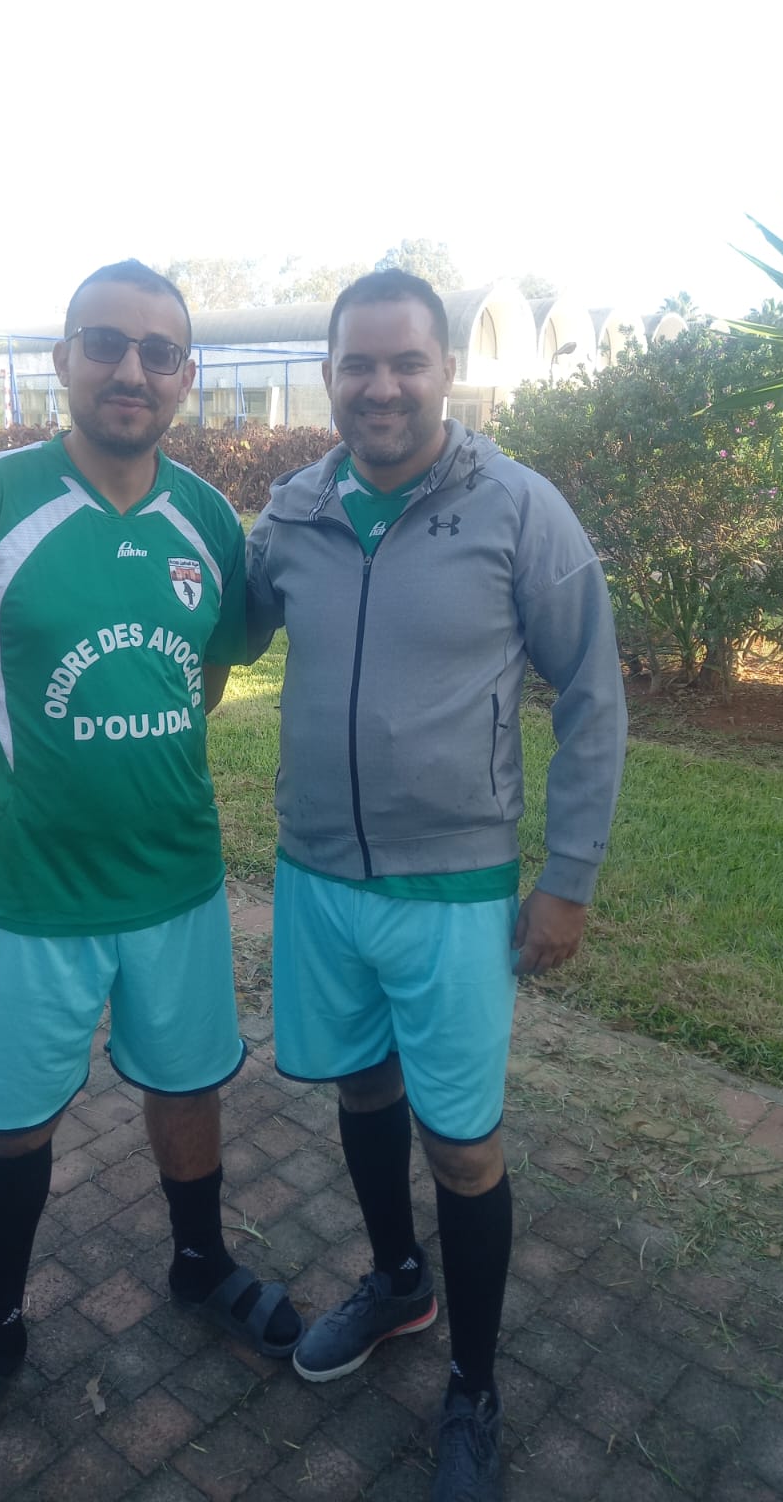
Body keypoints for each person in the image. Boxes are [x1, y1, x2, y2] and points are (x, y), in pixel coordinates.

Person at [0, 259, 302, 1487]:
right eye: (106, 343)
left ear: (186, 375)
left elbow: (203, 678)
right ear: (64, 358)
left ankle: (200, 1264)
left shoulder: (207, 520)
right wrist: (26, 771)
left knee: (190, 1081)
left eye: (158, 351)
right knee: (16, 1122)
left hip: (176, 880)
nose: (132, 369)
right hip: (34, 892)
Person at [245, 270, 627, 1501]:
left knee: (463, 1144)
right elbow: (221, 627)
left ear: (446, 369)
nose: (382, 386)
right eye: (358, 364)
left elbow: (594, 696)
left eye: (406, 361)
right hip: (318, 874)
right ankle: (398, 1281)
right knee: (361, 1084)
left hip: (458, 889)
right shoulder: (293, 514)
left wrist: (568, 877)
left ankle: (473, 1383)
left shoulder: (518, 508)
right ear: (329, 377)